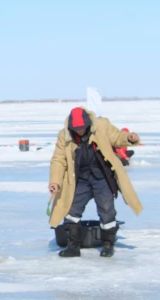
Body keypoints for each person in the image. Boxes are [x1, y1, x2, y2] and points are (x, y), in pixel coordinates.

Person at [49, 107, 142, 258]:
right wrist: (55, 181)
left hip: (102, 177)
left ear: (88, 123)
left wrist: (129, 138)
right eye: (76, 129)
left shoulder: (101, 126)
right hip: (80, 179)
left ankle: (108, 245)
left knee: (106, 210)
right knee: (71, 210)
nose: (79, 131)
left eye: (82, 128)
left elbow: (117, 137)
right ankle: (73, 247)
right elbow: (58, 160)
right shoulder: (64, 135)